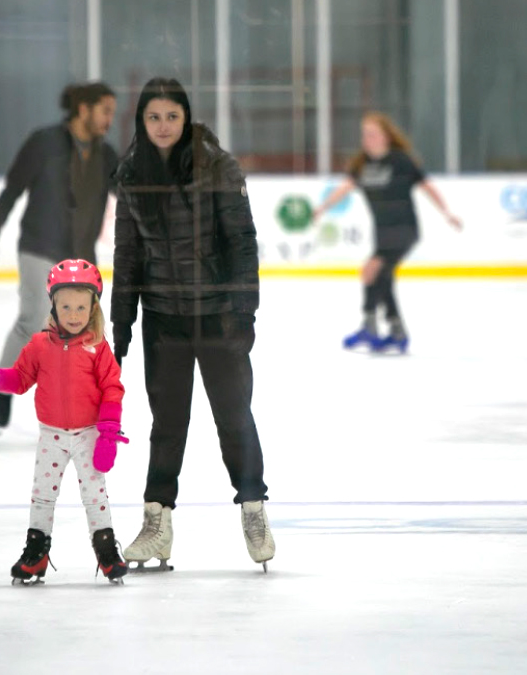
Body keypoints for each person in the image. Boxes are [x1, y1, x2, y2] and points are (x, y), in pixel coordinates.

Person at [110, 78, 274, 572]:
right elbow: (128, 254)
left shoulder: (217, 167)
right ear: (142, 121)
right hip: (164, 321)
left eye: (171, 117)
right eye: (153, 117)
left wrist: (244, 312)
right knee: (167, 425)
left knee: (233, 417)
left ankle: (253, 509)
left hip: (219, 315)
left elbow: (243, 241)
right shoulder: (132, 175)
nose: (163, 126)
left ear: (186, 118)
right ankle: (157, 522)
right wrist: (121, 322)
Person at [0, 259, 130, 584]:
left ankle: (107, 551)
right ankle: (36, 553)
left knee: (95, 495)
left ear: (93, 307)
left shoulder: (98, 348)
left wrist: (109, 433)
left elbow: (113, 388)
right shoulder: (40, 345)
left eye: (81, 307)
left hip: (88, 435)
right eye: (66, 306)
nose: (73, 314)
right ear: (52, 304)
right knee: (42, 495)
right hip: (52, 436)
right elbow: (23, 377)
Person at [0, 82, 119, 432]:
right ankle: (4, 390)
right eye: (105, 111)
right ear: (83, 109)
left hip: (80, 255)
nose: (110, 120)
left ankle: (76, 408)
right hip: (40, 246)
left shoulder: (107, 155)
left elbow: (130, 194)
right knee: (34, 319)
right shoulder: (44, 143)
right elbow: (12, 189)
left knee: (82, 330)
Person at [311, 112, 462, 353]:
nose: (367, 139)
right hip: (383, 233)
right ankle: (396, 330)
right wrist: (322, 208)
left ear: (386, 137)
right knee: (382, 276)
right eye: (365, 134)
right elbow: (345, 188)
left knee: (371, 271)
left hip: (404, 230)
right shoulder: (362, 165)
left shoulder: (401, 161)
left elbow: (427, 186)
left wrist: (447, 213)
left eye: (372, 134)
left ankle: (370, 326)